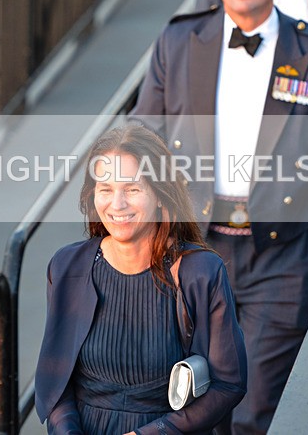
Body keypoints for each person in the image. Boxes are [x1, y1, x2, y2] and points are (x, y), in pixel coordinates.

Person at [131, 0, 308, 434]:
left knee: (255, 409)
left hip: (282, 257)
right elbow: (142, 142)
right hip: (191, 252)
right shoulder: (178, 41)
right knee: (188, 402)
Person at [35, 125, 247, 434]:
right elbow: (56, 380)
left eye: (132, 189)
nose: (117, 204)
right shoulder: (68, 267)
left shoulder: (201, 272)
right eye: (105, 189)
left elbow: (228, 383)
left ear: (160, 196)